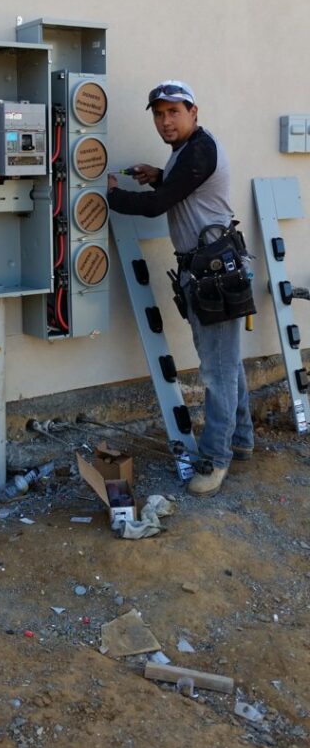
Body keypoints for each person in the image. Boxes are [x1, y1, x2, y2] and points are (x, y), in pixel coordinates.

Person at [107, 80, 254, 497]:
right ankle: (241, 440)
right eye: (158, 113)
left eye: (174, 112)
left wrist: (108, 197)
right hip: (207, 268)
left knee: (217, 370)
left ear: (193, 111)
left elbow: (159, 206)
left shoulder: (199, 151)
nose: (165, 121)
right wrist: (160, 175)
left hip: (214, 273)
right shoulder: (186, 152)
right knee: (227, 363)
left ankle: (216, 459)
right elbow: (182, 191)